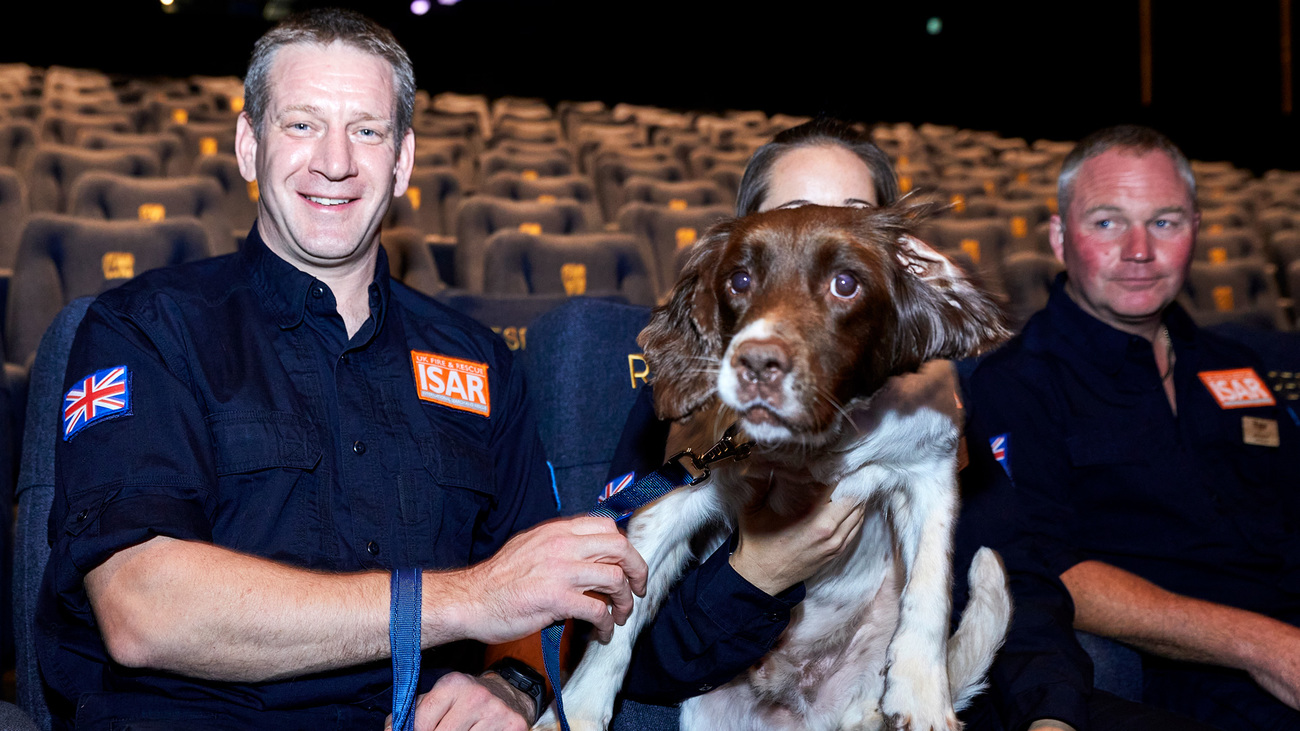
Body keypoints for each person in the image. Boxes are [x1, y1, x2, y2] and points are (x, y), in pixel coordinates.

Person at [37, 10, 647, 730]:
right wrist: (464, 598)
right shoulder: (144, 330)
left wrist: (514, 683)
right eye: (301, 125)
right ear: (247, 144)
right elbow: (141, 607)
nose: (335, 160)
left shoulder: (482, 361)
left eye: (367, 129)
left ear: (403, 160)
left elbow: (535, 600)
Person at [965, 124, 1300, 731]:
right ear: (1061, 238)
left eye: (1165, 222)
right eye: (1107, 222)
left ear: (1195, 230)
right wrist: (1263, 645)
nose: (1140, 250)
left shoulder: (1236, 365)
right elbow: (1049, 569)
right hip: (1185, 673)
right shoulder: (1017, 384)